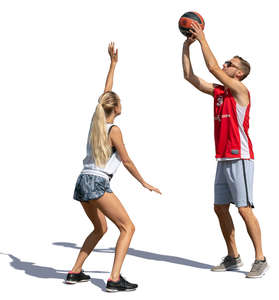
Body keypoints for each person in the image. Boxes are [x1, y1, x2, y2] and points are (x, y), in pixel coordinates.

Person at [65, 42, 161, 291]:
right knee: (127, 227)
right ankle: (114, 279)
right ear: (116, 108)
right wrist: (144, 182)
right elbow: (127, 161)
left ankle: (75, 272)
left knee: (100, 227)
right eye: (119, 102)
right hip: (97, 182)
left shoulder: (96, 123)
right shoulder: (114, 130)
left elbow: (105, 94)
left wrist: (113, 64)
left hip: (82, 180)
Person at [182, 22, 268, 278]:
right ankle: (233, 257)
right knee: (220, 208)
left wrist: (202, 38)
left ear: (239, 74)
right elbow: (189, 77)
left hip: (240, 157)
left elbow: (211, 67)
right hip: (223, 158)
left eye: (230, 64)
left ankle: (261, 259)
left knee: (244, 209)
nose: (225, 65)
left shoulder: (241, 91)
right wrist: (186, 47)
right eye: (226, 63)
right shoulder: (219, 92)